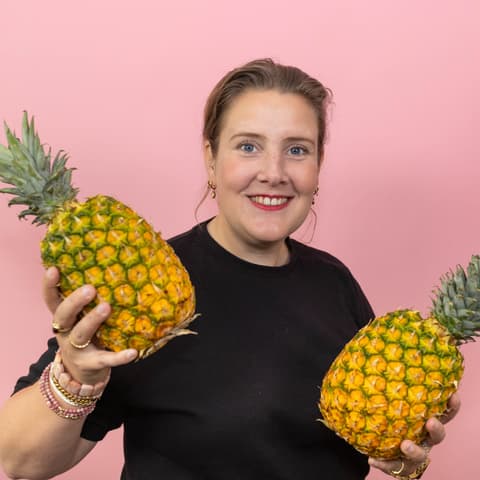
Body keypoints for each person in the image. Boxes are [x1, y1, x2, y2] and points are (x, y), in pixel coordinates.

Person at [0, 58, 459, 480]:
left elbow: (362, 449)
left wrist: (404, 460)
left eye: (297, 150)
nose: (274, 172)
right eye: (248, 146)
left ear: (319, 166)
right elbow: (17, 461)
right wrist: (76, 375)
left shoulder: (336, 283)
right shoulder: (146, 291)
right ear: (211, 158)